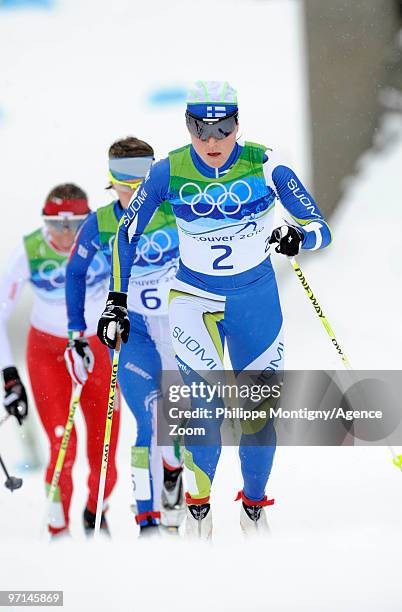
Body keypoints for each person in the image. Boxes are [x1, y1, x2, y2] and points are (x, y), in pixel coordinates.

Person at [97, 81, 332, 538]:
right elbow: (127, 234)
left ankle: (254, 507)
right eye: (199, 130)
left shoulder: (267, 165)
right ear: (187, 127)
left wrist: (299, 237)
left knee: (258, 417)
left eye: (222, 130)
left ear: (237, 125)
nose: (211, 143)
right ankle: (198, 512)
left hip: (255, 302)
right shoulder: (167, 171)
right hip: (194, 302)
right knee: (204, 414)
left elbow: (321, 227)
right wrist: (116, 301)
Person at [65, 137, 184, 535]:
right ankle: (146, 520)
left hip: (181, 327)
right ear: (110, 179)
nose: (132, 188)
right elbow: (75, 275)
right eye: (123, 177)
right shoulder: (99, 222)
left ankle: (173, 471)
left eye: (141, 176)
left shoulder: (172, 207)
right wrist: (75, 331)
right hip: (134, 331)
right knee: (148, 421)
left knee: (177, 423)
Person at [0, 183, 119, 537]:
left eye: (75, 225)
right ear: (44, 225)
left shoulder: (104, 241)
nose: (65, 236)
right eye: (56, 226)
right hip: (48, 353)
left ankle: (95, 512)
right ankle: (58, 526)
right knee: (61, 443)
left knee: (105, 449)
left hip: (98, 348)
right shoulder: (31, 249)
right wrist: (9, 374)